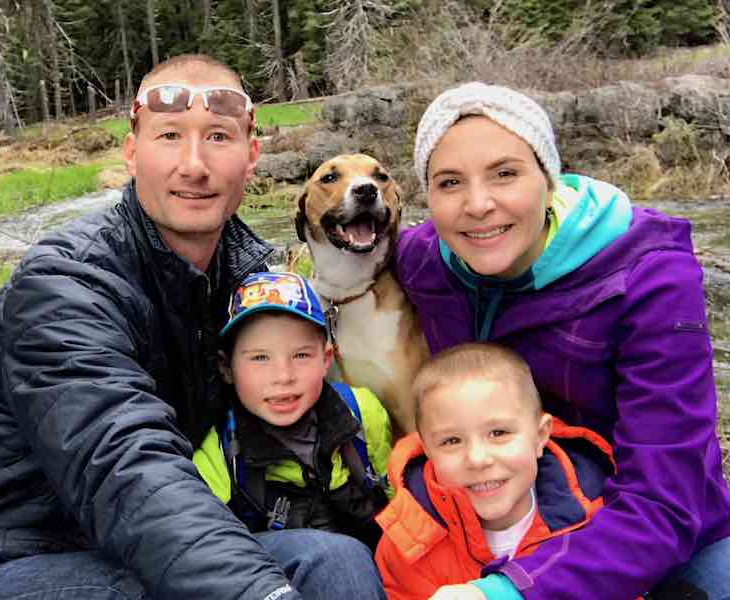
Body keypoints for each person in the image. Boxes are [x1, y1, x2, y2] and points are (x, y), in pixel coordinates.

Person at [0, 54, 386, 600]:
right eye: (169, 136)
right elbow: (122, 464)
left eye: (218, 137)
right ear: (131, 153)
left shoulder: (249, 282)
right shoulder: (65, 282)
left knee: (335, 560)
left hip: (146, 543)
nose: (194, 165)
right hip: (8, 555)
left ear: (251, 157)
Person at [394, 81, 730, 599]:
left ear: (548, 179)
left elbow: (666, 499)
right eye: (450, 182)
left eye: (505, 174)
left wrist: (511, 592)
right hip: (491, 522)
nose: (479, 205)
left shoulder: (647, 278)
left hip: (641, 534)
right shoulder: (423, 262)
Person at [375, 342, 617, 600]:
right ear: (427, 451)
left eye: (498, 433)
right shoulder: (408, 544)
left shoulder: (598, 517)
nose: (478, 459)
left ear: (540, 436)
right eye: (452, 441)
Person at [193, 271, 392, 549]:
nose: (283, 376)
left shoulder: (361, 412)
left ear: (326, 360)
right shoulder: (219, 455)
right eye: (260, 358)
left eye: (301, 355)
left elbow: (399, 502)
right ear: (227, 368)